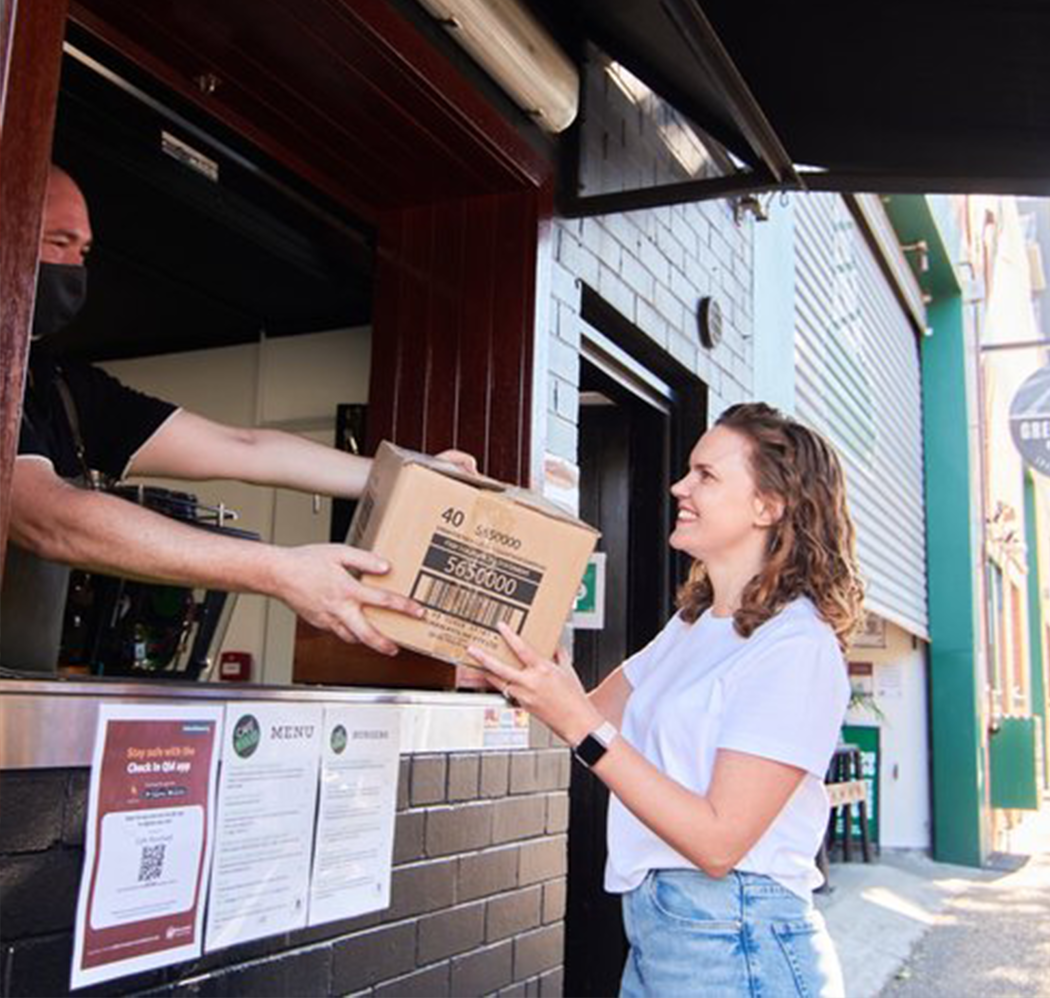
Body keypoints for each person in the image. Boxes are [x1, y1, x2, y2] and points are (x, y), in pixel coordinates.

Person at [2, 165, 475, 671]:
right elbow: (48, 518)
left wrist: (407, 476)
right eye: (59, 242)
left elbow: (242, 447)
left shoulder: (61, 387)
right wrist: (281, 570)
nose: (75, 265)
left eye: (85, 252)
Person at [469, 403, 863, 998]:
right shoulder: (693, 624)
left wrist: (576, 719)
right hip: (661, 933)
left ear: (768, 506)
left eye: (706, 475)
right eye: (687, 471)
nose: (680, 486)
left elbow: (717, 841)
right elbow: (589, 710)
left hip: (737, 940)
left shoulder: (797, 646)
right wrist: (514, 663)